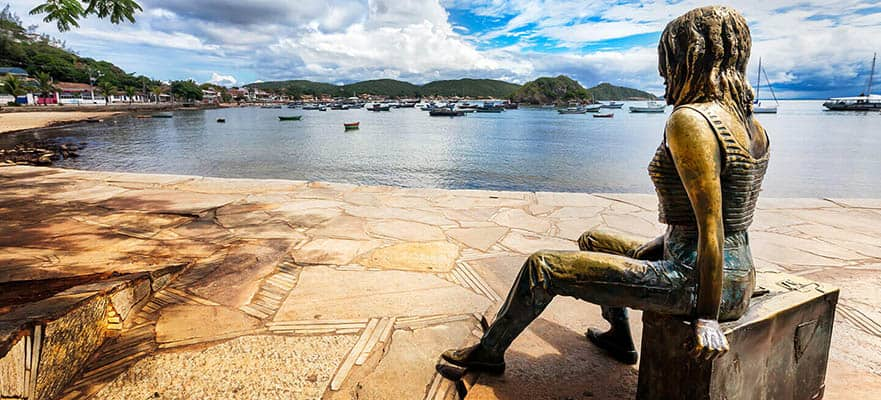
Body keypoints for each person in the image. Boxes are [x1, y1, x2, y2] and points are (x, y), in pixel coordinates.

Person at [441, 5, 770, 373]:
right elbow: (723, 218)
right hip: (737, 274)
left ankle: (489, 352)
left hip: (699, 282)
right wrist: (661, 243)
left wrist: (706, 317)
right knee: (592, 239)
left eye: (668, 59)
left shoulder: (690, 121)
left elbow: (713, 227)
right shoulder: (751, 125)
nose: (664, 73)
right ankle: (619, 337)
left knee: (543, 267)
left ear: (688, 57)